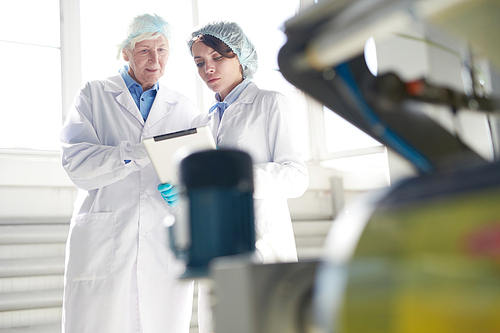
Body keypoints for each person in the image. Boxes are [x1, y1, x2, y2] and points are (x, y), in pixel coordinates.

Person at [60, 14, 200, 333]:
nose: (154, 60)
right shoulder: (93, 95)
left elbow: (198, 169)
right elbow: (76, 162)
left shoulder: (183, 107)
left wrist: (184, 193)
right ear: (126, 53)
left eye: (161, 50)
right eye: (144, 51)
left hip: (162, 246)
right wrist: (130, 154)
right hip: (105, 241)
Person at [185, 21, 309, 264]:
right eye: (199, 63)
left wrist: (235, 176)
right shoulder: (203, 121)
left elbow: (296, 178)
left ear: (240, 57)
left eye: (217, 57)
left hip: (262, 239)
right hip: (214, 239)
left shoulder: (270, 103)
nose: (208, 68)